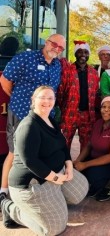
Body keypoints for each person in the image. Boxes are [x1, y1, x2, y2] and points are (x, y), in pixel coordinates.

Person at [0, 86, 88, 235]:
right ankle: (10, 209)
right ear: (33, 100)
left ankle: (53, 201)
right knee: (53, 229)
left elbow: (62, 144)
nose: (47, 101)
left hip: (56, 173)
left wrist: (68, 164)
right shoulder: (28, 126)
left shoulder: (50, 120)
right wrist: (54, 177)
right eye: (42, 97)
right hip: (32, 183)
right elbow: (30, 161)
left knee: (81, 190)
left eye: (50, 98)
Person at [0, 33, 65, 202]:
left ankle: (33, 191)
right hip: (21, 113)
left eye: (60, 47)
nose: (56, 48)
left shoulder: (57, 65)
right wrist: (17, 98)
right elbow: (5, 80)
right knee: (15, 153)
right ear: (46, 42)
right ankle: (4, 192)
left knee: (38, 153)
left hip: (45, 118)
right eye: (54, 44)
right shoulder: (26, 58)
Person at [73, 95, 110, 201]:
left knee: (92, 174)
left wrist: (85, 164)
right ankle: (96, 184)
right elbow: (89, 145)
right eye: (103, 107)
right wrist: (78, 160)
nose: (106, 110)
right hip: (95, 158)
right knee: (76, 170)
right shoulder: (98, 123)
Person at [57, 40, 99, 151]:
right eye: (80, 52)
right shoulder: (67, 71)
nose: (83, 55)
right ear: (75, 54)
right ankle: (64, 165)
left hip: (87, 114)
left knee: (86, 144)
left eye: (86, 52)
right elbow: (61, 92)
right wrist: (65, 108)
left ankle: (82, 166)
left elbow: (96, 93)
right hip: (69, 112)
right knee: (64, 141)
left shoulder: (94, 73)